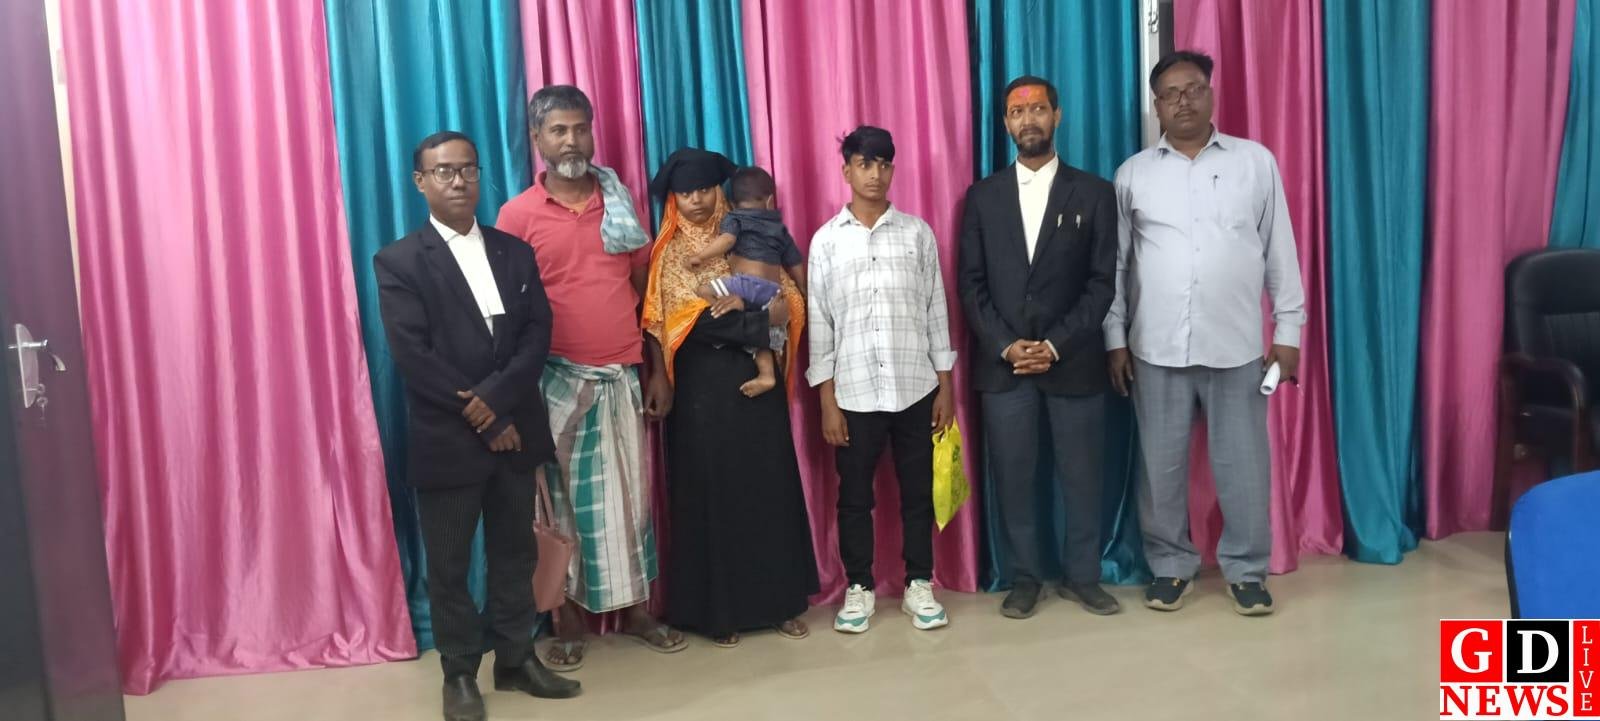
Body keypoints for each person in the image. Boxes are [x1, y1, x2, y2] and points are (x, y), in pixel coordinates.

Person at [374, 131, 579, 721]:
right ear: (421, 182)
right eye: (443, 171)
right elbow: (414, 356)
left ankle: (515, 660)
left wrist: (498, 405)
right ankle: (459, 672)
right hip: (449, 440)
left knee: (515, 555)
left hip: (516, 429)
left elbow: (537, 334)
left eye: (467, 169)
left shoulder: (514, 252)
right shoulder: (399, 261)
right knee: (450, 566)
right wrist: (487, 420)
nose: (458, 181)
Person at [1105, 51, 1306, 617]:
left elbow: (1280, 250)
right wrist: (1114, 339)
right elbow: (1117, 266)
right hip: (1156, 347)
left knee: (1243, 467)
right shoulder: (1133, 174)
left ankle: (1247, 570)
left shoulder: (1254, 163)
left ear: (1211, 93)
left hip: (1236, 346)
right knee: (1160, 468)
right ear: (1156, 106)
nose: (1183, 101)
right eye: (1170, 94)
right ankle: (1171, 566)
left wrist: (1288, 331)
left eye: (1193, 89)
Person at [496, 85, 684, 671]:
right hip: (553, 382)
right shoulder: (517, 216)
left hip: (621, 375)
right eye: (558, 131)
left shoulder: (619, 203)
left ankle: (637, 612)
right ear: (537, 139)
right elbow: (507, 310)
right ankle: (567, 619)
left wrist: (657, 368)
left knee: (630, 503)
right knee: (559, 508)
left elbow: (647, 294)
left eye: (580, 128)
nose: (571, 141)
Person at [957, 76, 1121, 619]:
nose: (1028, 119)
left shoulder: (1094, 193)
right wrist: (1007, 346)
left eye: (1038, 109)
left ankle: (1083, 576)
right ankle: (1024, 577)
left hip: (1074, 362)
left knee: (1082, 476)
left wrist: (1054, 344)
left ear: (1057, 115)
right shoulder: (982, 197)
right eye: (1016, 111)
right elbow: (970, 285)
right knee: (1014, 477)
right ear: (1006, 123)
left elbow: (1102, 283)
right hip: (1004, 368)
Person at [642, 147, 818, 648]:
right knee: (712, 495)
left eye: (704, 189)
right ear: (673, 199)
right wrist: (758, 320)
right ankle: (717, 613)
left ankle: (781, 603)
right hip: (702, 392)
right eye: (685, 193)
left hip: (756, 388)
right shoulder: (671, 252)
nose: (697, 200)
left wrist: (760, 315)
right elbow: (682, 323)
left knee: (768, 488)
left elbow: (787, 298)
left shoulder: (744, 232)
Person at [807, 126, 956, 634]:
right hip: (853, 393)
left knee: (918, 493)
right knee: (854, 498)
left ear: (893, 169)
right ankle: (859, 587)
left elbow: (936, 311)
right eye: (864, 164)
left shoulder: (917, 234)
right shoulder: (826, 241)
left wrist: (945, 386)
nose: (875, 174)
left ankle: (919, 583)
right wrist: (827, 401)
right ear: (846, 170)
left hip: (915, 387)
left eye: (884, 164)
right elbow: (820, 325)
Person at [686, 166, 805, 397]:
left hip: (745, 286)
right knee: (761, 333)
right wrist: (802, 287)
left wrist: (701, 256)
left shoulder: (735, 218)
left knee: (703, 289)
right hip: (773, 292)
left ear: (731, 203)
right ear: (770, 201)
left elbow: (727, 241)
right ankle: (767, 374)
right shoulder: (779, 228)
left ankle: (721, 308)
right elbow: (794, 260)